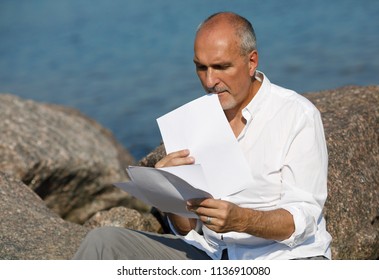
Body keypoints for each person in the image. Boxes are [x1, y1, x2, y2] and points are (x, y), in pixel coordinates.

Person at [73, 11, 332, 260]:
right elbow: (187, 229)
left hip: (280, 258)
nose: (209, 81)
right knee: (103, 242)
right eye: (201, 68)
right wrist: (170, 189)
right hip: (210, 255)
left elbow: (303, 219)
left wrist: (241, 220)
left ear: (251, 62)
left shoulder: (297, 115)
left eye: (221, 67)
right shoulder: (193, 119)